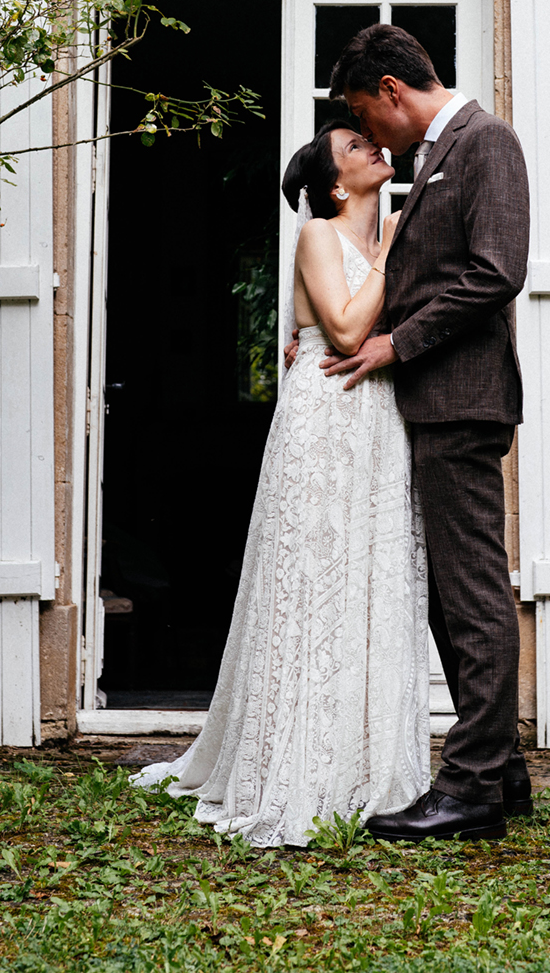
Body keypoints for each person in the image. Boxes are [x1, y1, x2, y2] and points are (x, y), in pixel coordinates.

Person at [130, 121, 431, 846]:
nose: (373, 150)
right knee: (309, 578)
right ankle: (297, 758)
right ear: (334, 184)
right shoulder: (320, 237)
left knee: (370, 577)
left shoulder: (397, 222)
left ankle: (368, 761)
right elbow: (353, 332)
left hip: (381, 418)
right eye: (356, 148)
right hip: (324, 414)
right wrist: (390, 253)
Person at [321, 22, 531, 843]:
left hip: (462, 399)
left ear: (391, 93)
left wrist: (398, 341)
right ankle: (501, 770)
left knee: (472, 595)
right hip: (435, 401)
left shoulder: (487, 142)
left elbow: (496, 270)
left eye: (365, 119)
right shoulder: (443, 152)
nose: (370, 136)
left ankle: (473, 787)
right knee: (452, 594)